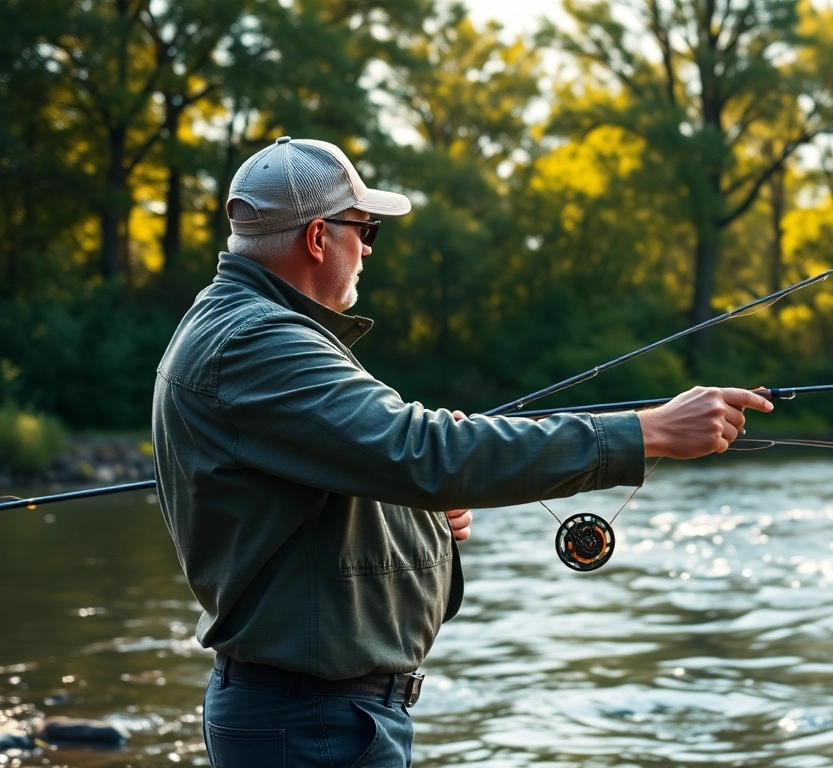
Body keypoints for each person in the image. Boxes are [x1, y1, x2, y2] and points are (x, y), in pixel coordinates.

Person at [152, 136, 772, 767]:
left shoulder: (253, 329)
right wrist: (646, 432)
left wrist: (422, 515)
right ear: (317, 236)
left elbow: (345, 482)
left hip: (321, 716)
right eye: (364, 229)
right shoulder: (258, 342)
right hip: (311, 723)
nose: (367, 248)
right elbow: (422, 453)